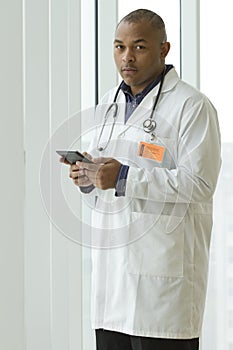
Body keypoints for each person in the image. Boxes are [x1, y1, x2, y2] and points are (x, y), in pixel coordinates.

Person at [60, 9, 221, 350]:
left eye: (139, 47)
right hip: (112, 284)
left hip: (164, 287)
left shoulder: (192, 106)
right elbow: (105, 181)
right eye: (119, 47)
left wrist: (123, 178)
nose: (126, 57)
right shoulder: (109, 103)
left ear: (164, 49)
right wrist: (88, 177)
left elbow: (201, 184)